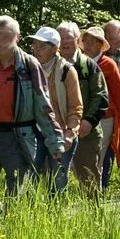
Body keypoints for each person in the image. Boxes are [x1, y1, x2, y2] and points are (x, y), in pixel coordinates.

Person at [0, 16, 66, 204]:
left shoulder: (30, 64)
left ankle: (11, 229)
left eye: (6, 35)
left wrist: (54, 140)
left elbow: (43, 104)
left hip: (18, 137)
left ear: (18, 37)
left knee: (18, 194)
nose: (0, 40)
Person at [27, 27, 83, 195]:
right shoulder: (29, 69)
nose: (37, 50)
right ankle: (29, 216)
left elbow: (76, 107)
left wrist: (69, 132)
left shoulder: (66, 70)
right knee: (29, 178)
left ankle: (56, 216)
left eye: (42, 46)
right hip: (34, 132)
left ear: (54, 48)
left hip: (60, 133)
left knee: (57, 181)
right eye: (35, 46)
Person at [57, 22, 110, 197]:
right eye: (61, 38)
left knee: (89, 179)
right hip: (56, 132)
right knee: (55, 178)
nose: (65, 42)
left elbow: (101, 96)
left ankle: (94, 218)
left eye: (69, 38)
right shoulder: (49, 65)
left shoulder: (89, 66)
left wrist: (88, 120)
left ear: (77, 40)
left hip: (86, 133)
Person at [81, 26, 120, 191]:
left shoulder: (108, 64)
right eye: (85, 41)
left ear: (100, 45)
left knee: (100, 155)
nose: (87, 45)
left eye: (91, 42)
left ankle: (98, 189)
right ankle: (88, 188)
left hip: (105, 117)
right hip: (83, 117)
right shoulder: (80, 62)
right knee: (83, 155)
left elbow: (118, 94)